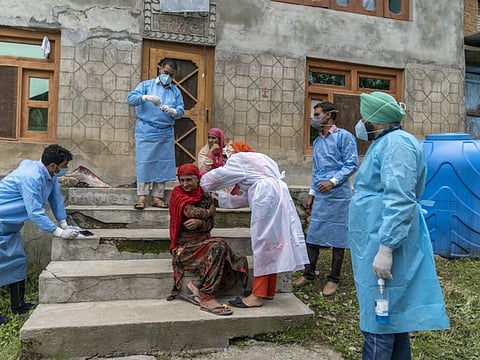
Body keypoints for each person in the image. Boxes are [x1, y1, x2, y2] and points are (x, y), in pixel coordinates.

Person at [348, 91, 450, 359]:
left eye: (363, 117)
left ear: (374, 119)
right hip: (375, 236)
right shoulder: (387, 143)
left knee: (381, 317)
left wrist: (387, 248)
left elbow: (400, 198)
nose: (360, 123)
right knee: (390, 316)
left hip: (385, 239)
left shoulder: (397, 145)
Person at [200, 142, 309, 308]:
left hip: (266, 198)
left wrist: (202, 178)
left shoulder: (239, 159)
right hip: (278, 196)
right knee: (273, 244)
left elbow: (213, 180)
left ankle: (257, 296)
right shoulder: (262, 160)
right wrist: (222, 200)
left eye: (225, 156)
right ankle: (266, 290)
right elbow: (246, 196)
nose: (224, 160)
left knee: (263, 245)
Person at [0, 144, 79, 325]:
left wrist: (64, 222)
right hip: (2, 220)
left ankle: (18, 306)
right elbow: (35, 212)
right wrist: (58, 232)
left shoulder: (48, 176)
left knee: (17, 261)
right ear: (53, 166)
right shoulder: (31, 177)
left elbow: (55, 198)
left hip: (9, 226)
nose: (65, 169)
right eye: (64, 165)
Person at [293, 102, 358, 297]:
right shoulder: (318, 142)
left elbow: (351, 164)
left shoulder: (344, 137)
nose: (314, 118)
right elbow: (316, 170)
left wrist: (332, 181)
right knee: (313, 235)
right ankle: (308, 273)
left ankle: (333, 279)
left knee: (338, 238)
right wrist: (312, 193)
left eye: (317, 114)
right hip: (321, 195)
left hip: (339, 196)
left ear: (328, 115)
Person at [166, 163, 248, 316]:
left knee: (230, 256)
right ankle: (207, 296)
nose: (185, 184)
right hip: (184, 249)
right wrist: (208, 213)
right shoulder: (178, 195)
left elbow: (209, 225)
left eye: (189, 180)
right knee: (219, 246)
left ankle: (197, 285)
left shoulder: (205, 195)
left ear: (198, 179)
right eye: (182, 180)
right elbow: (190, 212)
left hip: (204, 244)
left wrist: (202, 222)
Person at [127, 58, 185, 210]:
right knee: (144, 163)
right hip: (146, 130)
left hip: (165, 131)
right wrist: (145, 97)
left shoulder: (175, 91)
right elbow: (130, 99)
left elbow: (180, 110)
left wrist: (174, 111)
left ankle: (157, 197)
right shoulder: (146, 85)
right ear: (160, 69)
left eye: (171, 75)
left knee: (162, 164)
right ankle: (141, 197)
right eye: (166, 72)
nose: (168, 77)